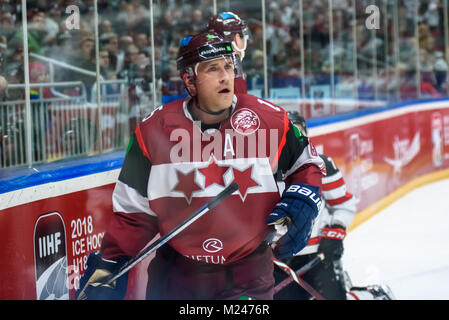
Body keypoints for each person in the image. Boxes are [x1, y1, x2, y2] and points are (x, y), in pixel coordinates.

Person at [76, 32, 325, 300]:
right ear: (189, 79)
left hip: (248, 274)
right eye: (212, 68)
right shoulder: (152, 130)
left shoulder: (268, 119)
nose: (225, 76)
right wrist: (111, 263)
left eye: (229, 66)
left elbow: (307, 163)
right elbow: (132, 212)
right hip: (177, 275)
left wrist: (305, 199)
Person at [274, 112, 394, 300]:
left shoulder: (322, 167)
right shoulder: (264, 172)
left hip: (319, 256)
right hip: (278, 262)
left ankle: (373, 296)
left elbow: (343, 205)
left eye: (298, 134)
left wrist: (334, 234)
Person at [207, 12, 251, 94]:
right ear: (237, 38)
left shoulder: (205, 65)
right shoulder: (233, 65)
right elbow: (241, 103)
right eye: (242, 36)